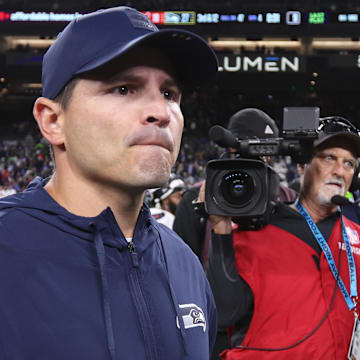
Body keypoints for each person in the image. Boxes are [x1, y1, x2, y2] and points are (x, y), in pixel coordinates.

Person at [0, 6, 219, 359]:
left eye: (169, 94)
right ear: (53, 121)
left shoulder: (184, 262)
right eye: (123, 88)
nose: (161, 113)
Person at [203, 116, 360, 359]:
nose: (339, 171)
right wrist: (221, 229)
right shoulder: (255, 232)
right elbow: (223, 313)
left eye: (349, 163)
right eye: (329, 158)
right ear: (301, 165)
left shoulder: (357, 237)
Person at [173, 108, 296, 360]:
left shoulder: (287, 199)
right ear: (230, 150)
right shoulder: (198, 199)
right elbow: (182, 274)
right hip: (217, 329)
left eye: (267, 156)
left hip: (270, 326)